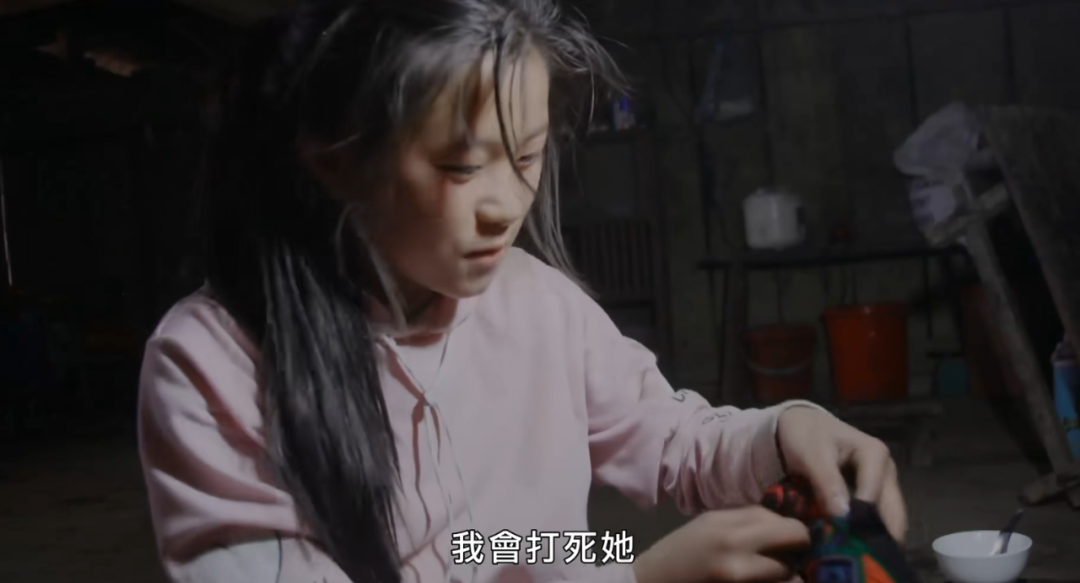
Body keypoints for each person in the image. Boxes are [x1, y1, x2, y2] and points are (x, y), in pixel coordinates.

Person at [136, 1, 907, 582]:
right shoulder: (211, 363)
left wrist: (785, 430)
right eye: (462, 167)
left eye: (528, 156)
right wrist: (634, 576)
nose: (507, 206)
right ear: (334, 160)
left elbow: (670, 441)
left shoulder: (540, 305)